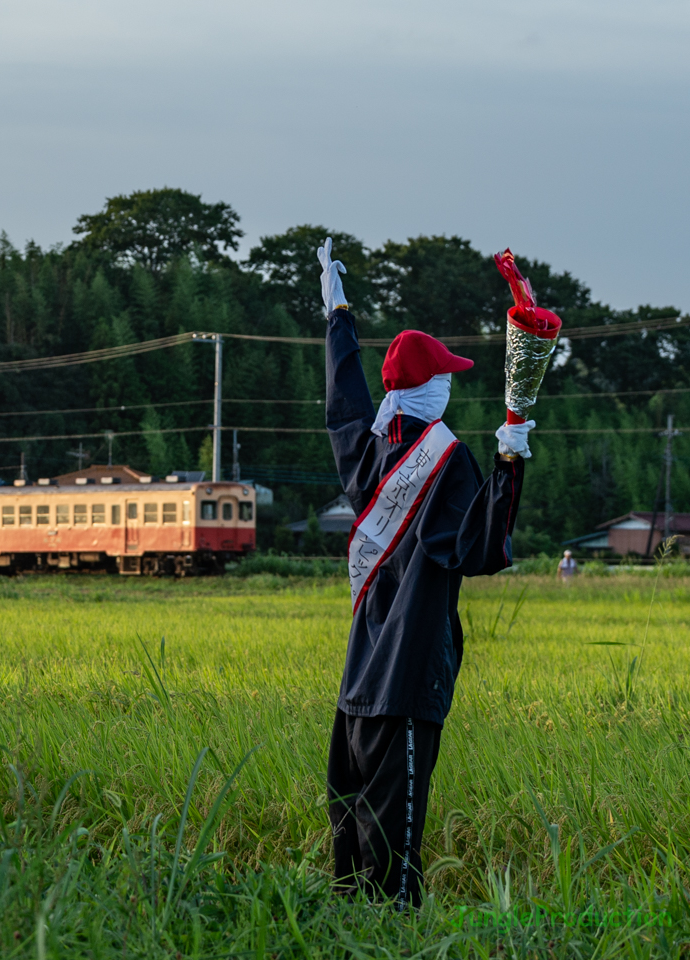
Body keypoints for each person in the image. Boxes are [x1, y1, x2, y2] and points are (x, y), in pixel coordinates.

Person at [318, 239, 532, 906]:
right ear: (434, 389)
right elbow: (482, 551)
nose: (452, 383)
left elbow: (345, 397)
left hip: (357, 686)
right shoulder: (447, 464)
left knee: (349, 842)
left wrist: (337, 314)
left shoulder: (366, 454)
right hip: (408, 684)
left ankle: (343, 941)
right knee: (394, 853)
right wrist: (508, 464)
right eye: (448, 376)